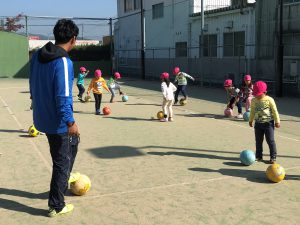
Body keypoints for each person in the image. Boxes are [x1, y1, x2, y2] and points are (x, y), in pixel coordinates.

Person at [29, 19, 80, 217]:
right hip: (58, 121)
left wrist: (36, 101)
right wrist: (70, 121)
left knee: (73, 144)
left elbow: (32, 84)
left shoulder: (37, 57)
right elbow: (63, 96)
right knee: (61, 161)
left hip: (42, 117)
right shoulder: (63, 62)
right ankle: (56, 205)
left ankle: (64, 176)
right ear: (73, 39)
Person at [249, 81, 280, 164]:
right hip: (258, 124)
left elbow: (274, 111)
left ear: (265, 92)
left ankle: (273, 157)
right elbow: (252, 111)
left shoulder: (270, 100)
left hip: (268, 124)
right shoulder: (253, 100)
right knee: (258, 141)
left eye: (259, 94)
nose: (257, 96)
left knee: (270, 140)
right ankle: (259, 156)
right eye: (256, 94)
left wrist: (277, 121)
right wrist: (251, 120)